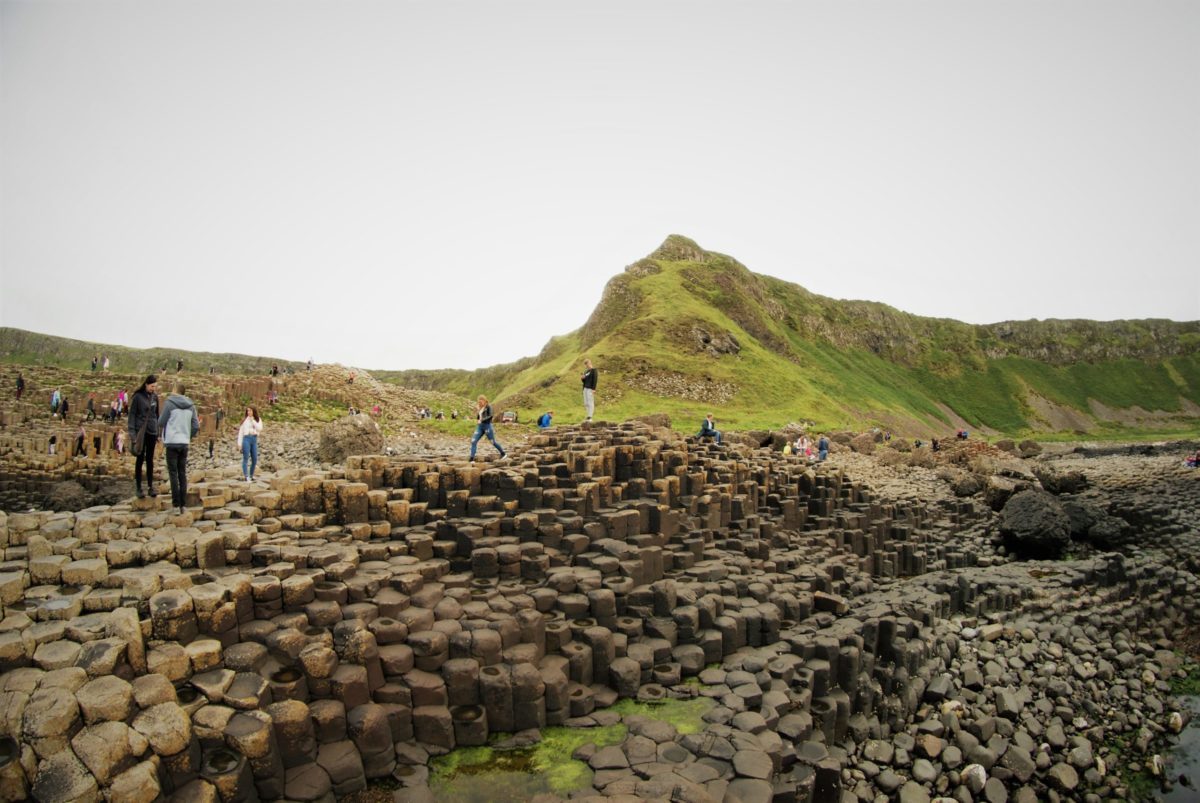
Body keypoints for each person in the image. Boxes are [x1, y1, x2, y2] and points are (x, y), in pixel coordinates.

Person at [158, 381, 200, 514]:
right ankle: (183, 505)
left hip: (172, 442)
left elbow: (161, 422)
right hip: (184, 443)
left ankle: (175, 505)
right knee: (182, 473)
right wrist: (188, 436)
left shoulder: (170, 403)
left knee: (173, 473)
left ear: (176, 391)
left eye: (173, 389)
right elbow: (196, 426)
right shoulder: (191, 406)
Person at [128, 375, 160, 497]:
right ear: (146, 384)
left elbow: (156, 416)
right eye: (152, 386)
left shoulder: (155, 397)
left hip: (152, 432)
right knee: (140, 459)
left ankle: (151, 487)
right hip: (140, 432)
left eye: (155, 387)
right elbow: (132, 416)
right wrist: (132, 434)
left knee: (150, 459)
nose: (153, 389)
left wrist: (157, 432)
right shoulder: (137, 397)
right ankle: (138, 488)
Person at [469, 395, 506, 462]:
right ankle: (471, 458)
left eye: (481, 402)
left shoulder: (489, 407)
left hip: (487, 426)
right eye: (479, 402)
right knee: (473, 441)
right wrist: (478, 413)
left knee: (493, 442)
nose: (480, 403)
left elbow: (491, 416)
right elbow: (478, 417)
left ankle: (503, 453)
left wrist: (482, 420)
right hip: (480, 427)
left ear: (485, 401)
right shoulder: (480, 408)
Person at [237, 407, 263, 481]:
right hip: (246, 439)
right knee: (246, 458)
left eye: (250, 411)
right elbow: (241, 432)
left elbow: (260, 429)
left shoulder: (258, 419)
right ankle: (246, 476)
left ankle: (251, 475)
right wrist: (239, 443)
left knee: (254, 458)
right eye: (247, 411)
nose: (248, 412)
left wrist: (253, 421)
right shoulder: (245, 420)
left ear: (253, 411)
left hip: (254, 439)